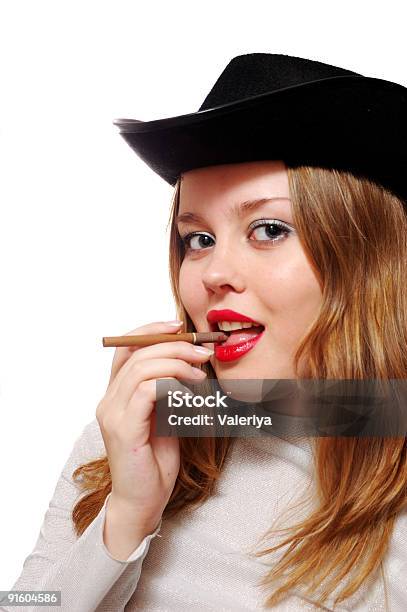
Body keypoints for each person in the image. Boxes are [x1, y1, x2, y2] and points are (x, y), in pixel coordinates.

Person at [3, 53, 407, 612]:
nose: (213, 274)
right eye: (198, 239)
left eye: (268, 229)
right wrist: (125, 517)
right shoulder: (136, 433)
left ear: (366, 258)